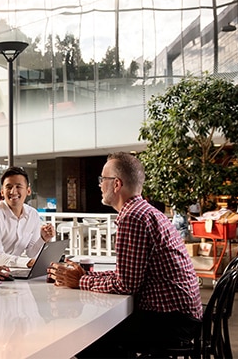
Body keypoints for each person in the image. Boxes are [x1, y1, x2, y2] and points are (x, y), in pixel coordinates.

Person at [49, 152, 202, 357]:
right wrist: (85, 276)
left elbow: (126, 285)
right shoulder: (145, 211)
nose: (99, 184)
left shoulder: (132, 217)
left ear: (117, 184)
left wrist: (80, 281)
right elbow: (127, 274)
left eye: (102, 179)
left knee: (83, 337)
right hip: (182, 314)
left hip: (172, 321)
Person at [0, 166, 55, 268]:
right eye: (8, 187)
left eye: (18, 186)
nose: (13, 191)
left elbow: (30, 253)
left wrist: (43, 239)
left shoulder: (32, 214)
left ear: (28, 191)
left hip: (10, 272)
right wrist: (27, 263)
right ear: (2, 192)